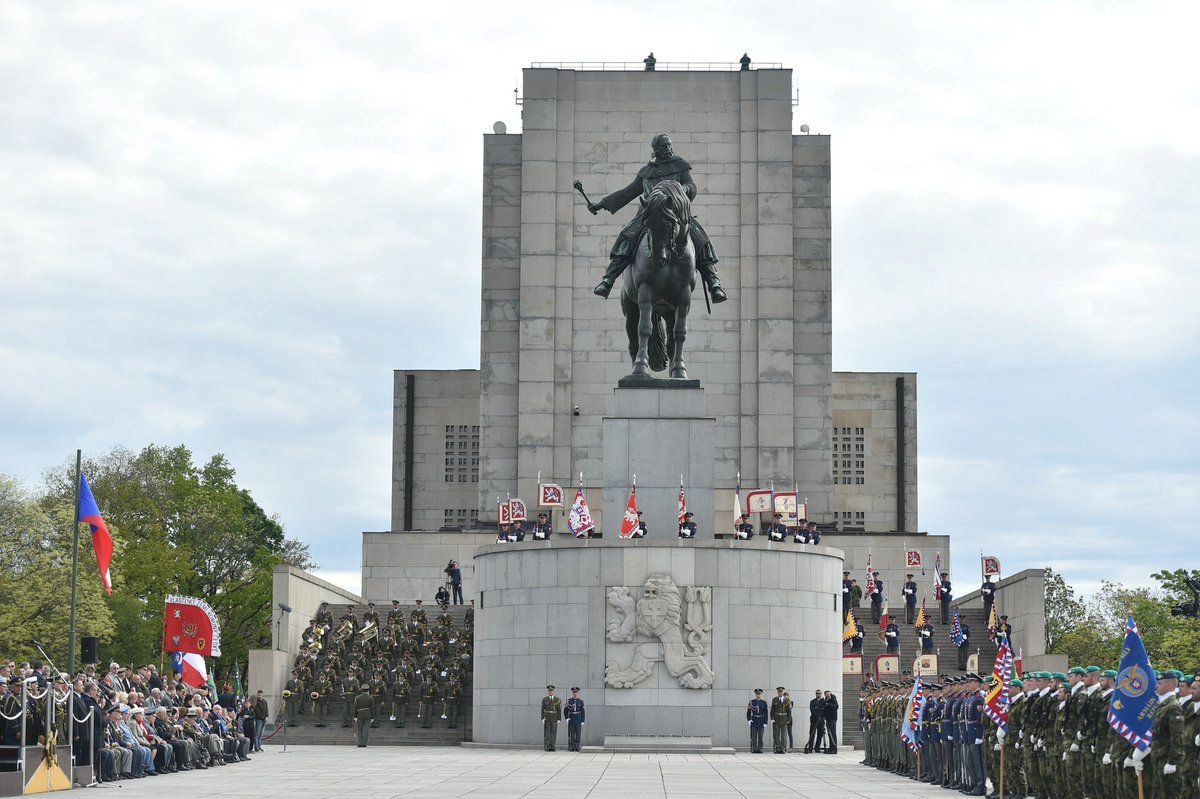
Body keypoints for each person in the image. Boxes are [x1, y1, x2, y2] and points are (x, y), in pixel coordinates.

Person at [585, 133, 726, 302]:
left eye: (669, 146)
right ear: (655, 150)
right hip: (649, 215)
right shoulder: (646, 172)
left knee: (701, 239)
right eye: (663, 147)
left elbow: (692, 186)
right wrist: (601, 204)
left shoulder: (680, 166)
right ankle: (608, 279)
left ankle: (714, 283)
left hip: (677, 214)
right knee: (627, 237)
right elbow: (627, 193)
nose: (668, 149)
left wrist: (682, 191)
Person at [747, 689, 768, 753]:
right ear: (755, 694)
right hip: (754, 720)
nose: (758, 695)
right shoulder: (751, 702)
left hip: (761, 720)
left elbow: (766, 713)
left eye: (759, 694)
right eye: (757, 694)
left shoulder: (764, 703)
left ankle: (760, 748)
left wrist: (765, 722)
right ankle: (754, 749)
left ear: (761, 694)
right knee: (754, 736)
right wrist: (749, 719)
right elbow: (748, 712)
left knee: (760, 736)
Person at [541, 685, 562, 751]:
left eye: (551, 691)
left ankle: (552, 746)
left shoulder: (557, 699)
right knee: (548, 733)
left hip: (554, 718)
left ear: (554, 691)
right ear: (548, 691)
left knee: (554, 733)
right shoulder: (545, 699)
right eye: (549, 691)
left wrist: (559, 718)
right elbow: (542, 709)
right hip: (547, 718)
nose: (550, 692)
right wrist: (542, 718)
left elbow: (559, 710)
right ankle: (548, 746)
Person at [564, 687, 586, 752]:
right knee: (572, 734)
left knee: (578, 734)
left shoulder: (581, 701)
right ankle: (572, 746)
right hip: (571, 719)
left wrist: (582, 720)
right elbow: (565, 710)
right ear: (572, 693)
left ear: (578, 693)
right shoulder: (569, 701)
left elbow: (583, 711)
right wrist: (566, 718)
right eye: (574, 692)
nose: (575, 693)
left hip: (578, 719)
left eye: (576, 692)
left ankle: (577, 746)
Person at [771, 687, 790, 753]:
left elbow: (789, 711)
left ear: (783, 692)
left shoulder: (787, 700)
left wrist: (788, 719)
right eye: (779, 691)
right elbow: (772, 710)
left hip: (784, 719)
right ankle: (778, 748)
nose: (780, 693)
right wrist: (772, 718)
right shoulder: (774, 699)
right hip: (776, 719)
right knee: (776, 734)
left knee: (784, 735)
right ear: (777, 692)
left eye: (781, 691)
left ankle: (782, 748)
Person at [805, 690, 825, 754]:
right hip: (814, 720)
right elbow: (812, 710)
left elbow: (824, 710)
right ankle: (810, 748)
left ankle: (817, 748)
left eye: (819, 693)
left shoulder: (823, 701)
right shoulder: (812, 701)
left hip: (821, 720)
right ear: (815, 694)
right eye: (817, 693)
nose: (818, 694)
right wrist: (817, 717)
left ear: (821, 694)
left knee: (820, 734)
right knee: (812, 734)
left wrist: (821, 717)